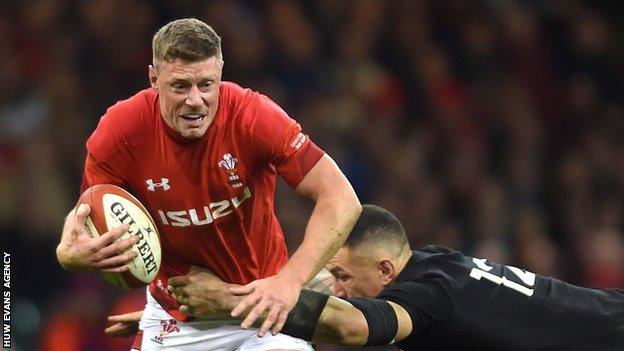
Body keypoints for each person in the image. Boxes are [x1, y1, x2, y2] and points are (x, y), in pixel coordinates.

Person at [56, 18, 361, 351]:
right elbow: (90, 211)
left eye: (206, 84)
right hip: (177, 319)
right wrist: (69, 252)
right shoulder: (120, 132)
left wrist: (288, 282)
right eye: (181, 86)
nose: (196, 100)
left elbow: (341, 198)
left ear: (221, 74)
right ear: (153, 80)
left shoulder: (253, 117)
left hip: (262, 310)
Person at [163, 204, 624, 350]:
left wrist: (227, 300)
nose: (338, 286)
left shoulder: (428, 298)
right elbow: (321, 289)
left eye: (343, 273)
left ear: (385, 270)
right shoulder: (437, 263)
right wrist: (196, 324)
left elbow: (351, 324)